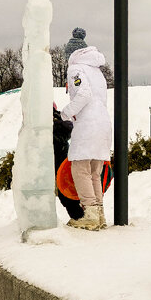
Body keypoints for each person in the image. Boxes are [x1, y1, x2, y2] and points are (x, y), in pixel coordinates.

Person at [60, 43, 112, 230]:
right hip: (103, 123)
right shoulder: (97, 71)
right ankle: (99, 213)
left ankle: (89, 214)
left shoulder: (76, 69)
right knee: (94, 172)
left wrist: (66, 113)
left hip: (88, 124)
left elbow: (83, 94)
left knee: (80, 169)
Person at [52, 105, 84, 221]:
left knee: (65, 193)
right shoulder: (60, 120)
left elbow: (66, 130)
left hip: (59, 159)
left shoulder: (56, 121)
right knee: (65, 192)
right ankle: (78, 216)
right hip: (62, 159)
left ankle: (78, 217)